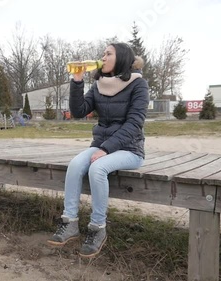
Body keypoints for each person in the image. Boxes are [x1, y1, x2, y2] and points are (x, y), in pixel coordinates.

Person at [47, 42, 149, 258]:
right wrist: (77, 81)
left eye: (108, 54)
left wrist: (106, 148)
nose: (102, 57)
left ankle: (97, 228)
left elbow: (134, 124)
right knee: (75, 165)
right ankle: (70, 222)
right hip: (101, 146)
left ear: (120, 58)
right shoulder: (99, 85)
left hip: (130, 149)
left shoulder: (138, 85)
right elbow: (78, 111)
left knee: (97, 169)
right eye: (102, 53)